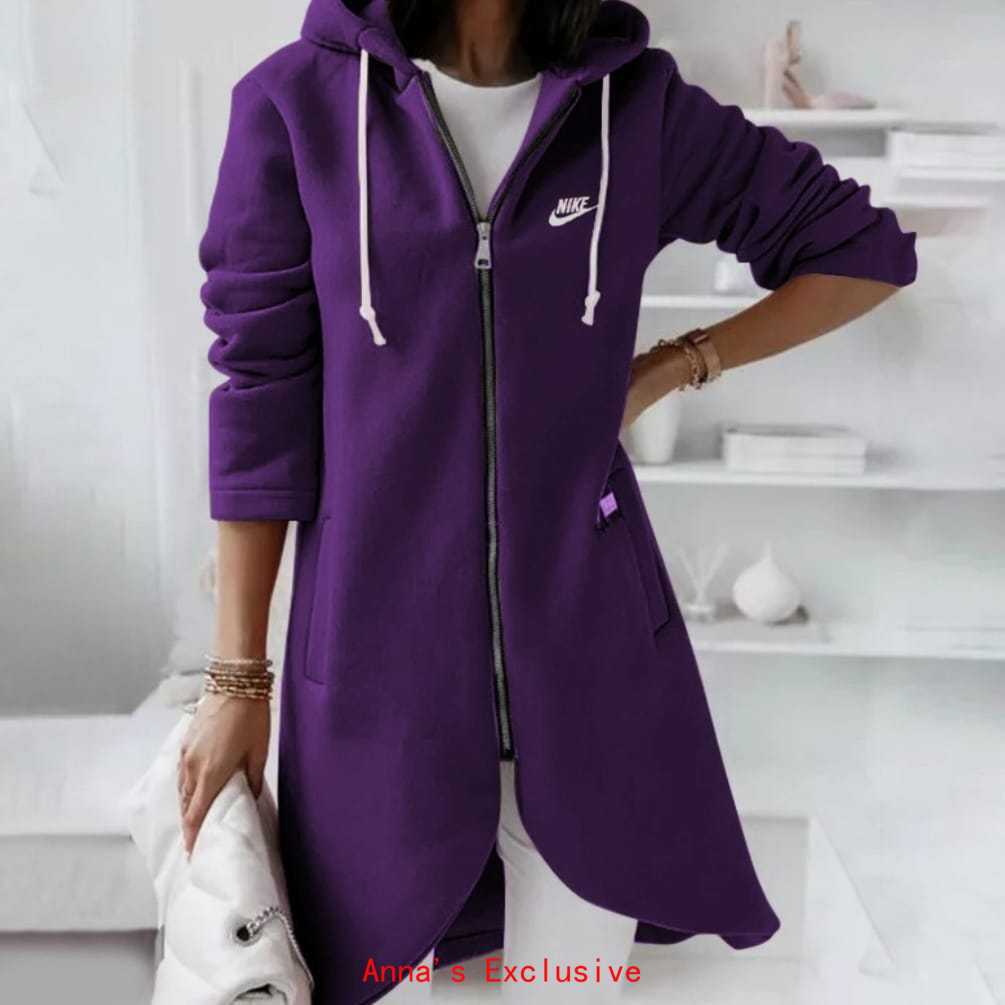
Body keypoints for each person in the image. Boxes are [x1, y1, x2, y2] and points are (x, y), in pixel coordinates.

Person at [180, 1, 918, 1002]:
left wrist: (676, 363)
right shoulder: (296, 105)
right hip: (372, 686)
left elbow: (862, 249)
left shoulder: (636, 108)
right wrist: (237, 679)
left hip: (595, 678)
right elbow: (259, 400)